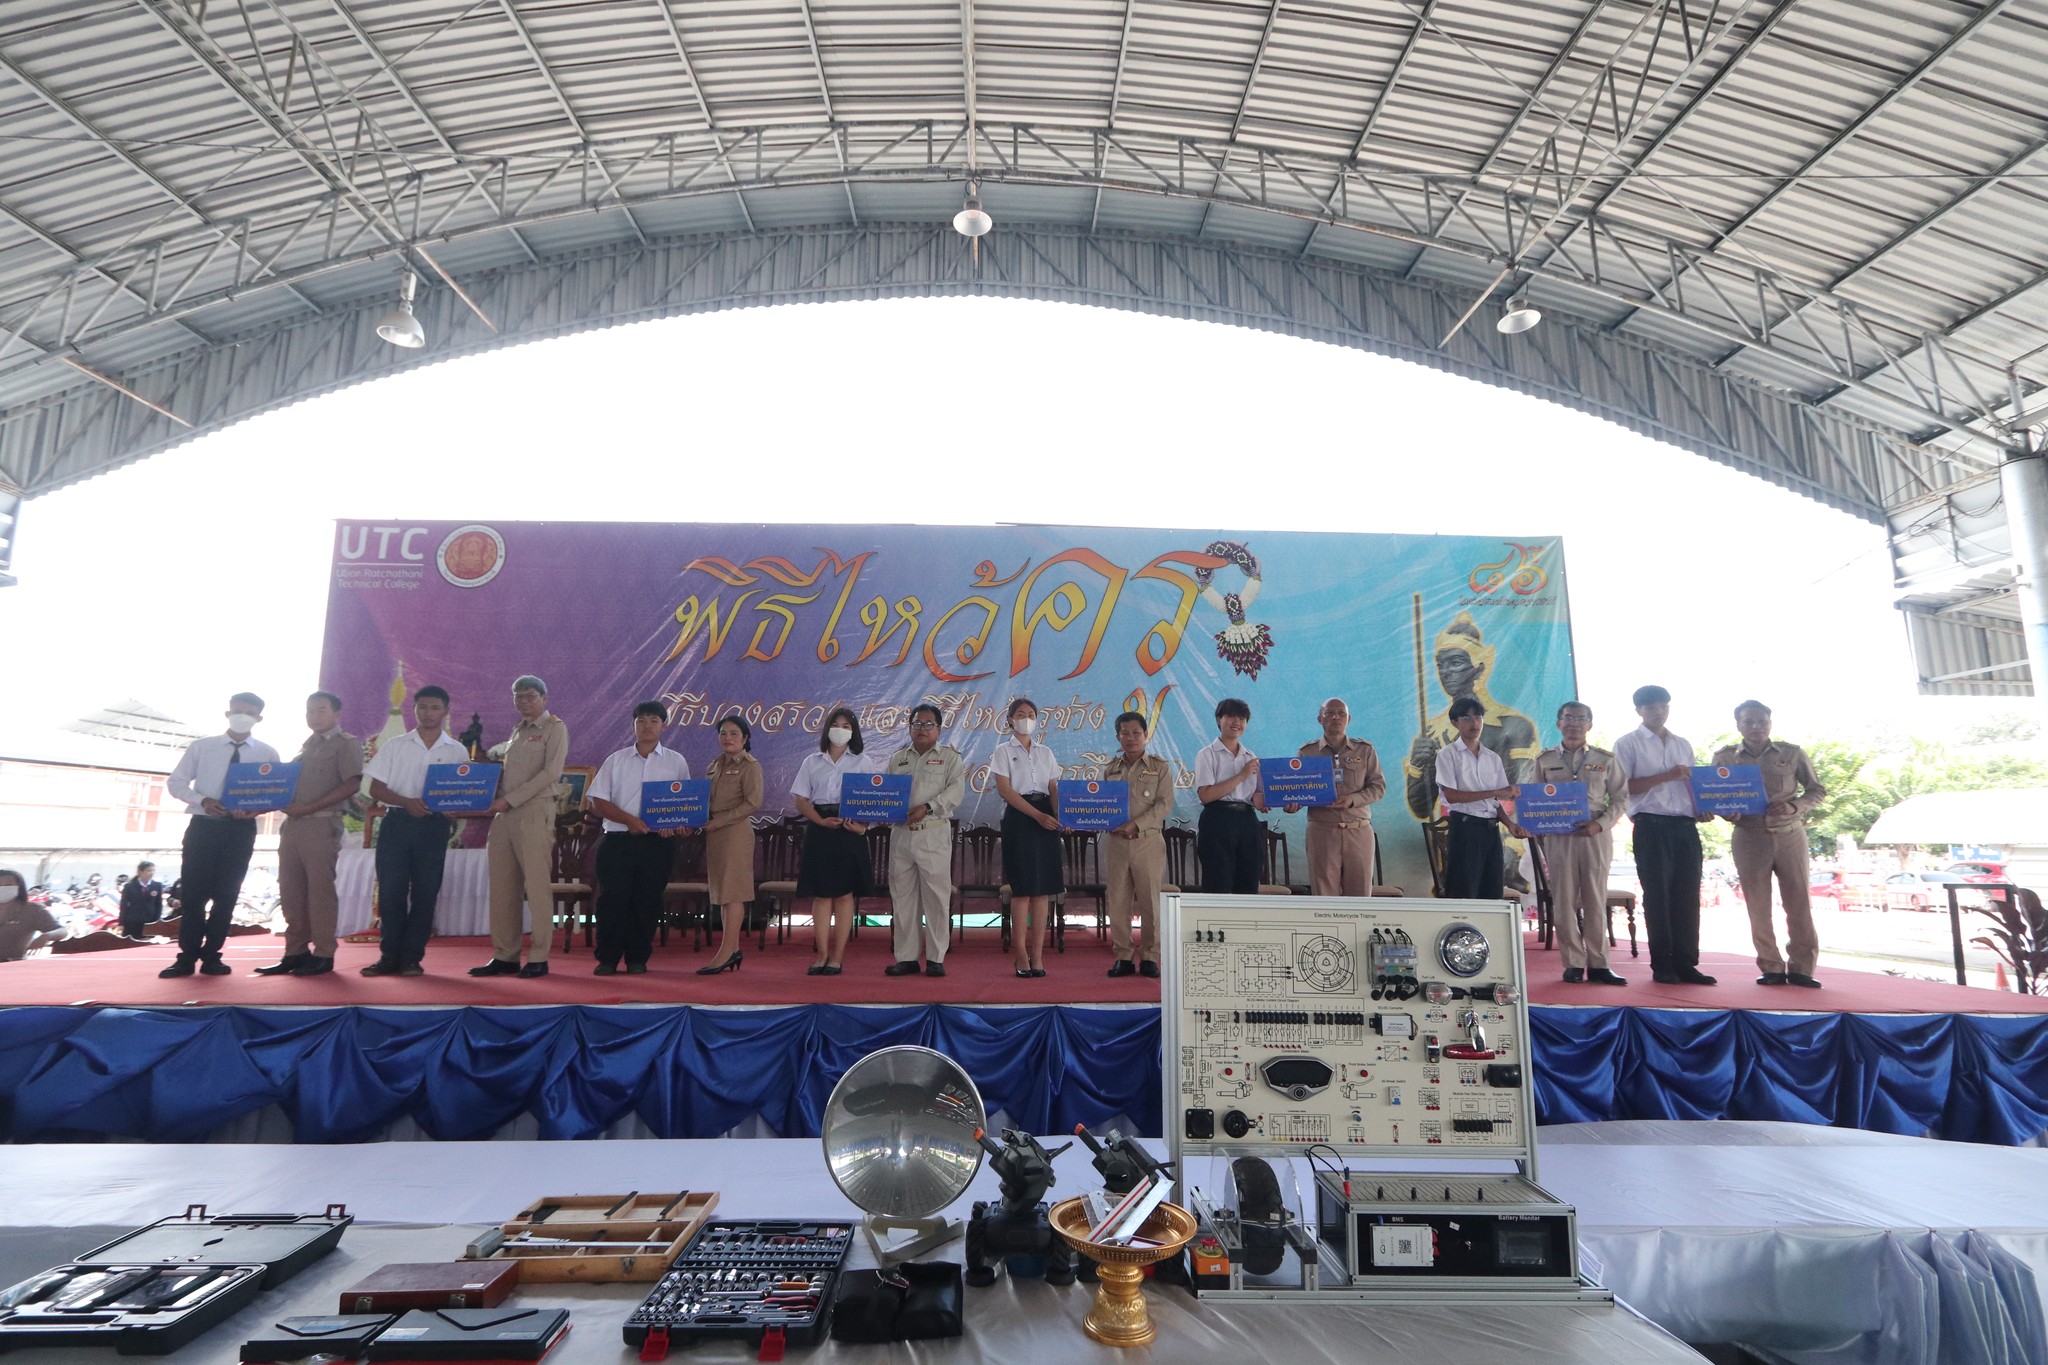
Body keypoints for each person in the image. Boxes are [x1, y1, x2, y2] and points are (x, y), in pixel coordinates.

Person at [161, 692, 281, 978]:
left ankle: (213, 956)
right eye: (237, 710)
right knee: (193, 896)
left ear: (259, 718)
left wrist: (254, 809)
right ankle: (186, 958)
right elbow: (176, 783)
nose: (242, 716)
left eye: (249, 712)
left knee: (227, 896)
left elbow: (276, 792)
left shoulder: (267, 753)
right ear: (227, 713)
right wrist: (202, 800)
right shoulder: (202, 747)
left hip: (240, 830)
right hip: (203, 826)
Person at [1711, 701, 1827, 988]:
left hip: (1790, 834)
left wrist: (1794, 806)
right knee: (1758, 905)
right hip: (1749, 836)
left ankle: (1802, 968)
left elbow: (1817, 791)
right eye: (1748, 721)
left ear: (1770, 723)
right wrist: (1726, 811)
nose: (1755, 727)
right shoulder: (1724, 757)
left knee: (1798, 903)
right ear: (1738, 725)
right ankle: (1771, 966)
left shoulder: (1792, 753)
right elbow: (1714, 795)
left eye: (1761, 721)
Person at [256, 691, 364, 978]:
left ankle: (324, 953)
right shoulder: (306, 746)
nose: (314, 716)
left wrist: (309, 807)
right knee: (290, 891)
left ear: (337, 713)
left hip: (321, 824)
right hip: (293, 825)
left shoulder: (346, 744)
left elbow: (352, 784)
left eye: (321, 710)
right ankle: (295, 951)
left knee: (320, 892)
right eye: (309, 711)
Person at [362, 685, 469, 977]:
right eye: (422, 707)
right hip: (397, 823)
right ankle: (389, 957)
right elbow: (376, 788)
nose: (428, 713)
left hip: (434, 827)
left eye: (435, 707)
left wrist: (454, 807)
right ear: (414, 709)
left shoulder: (456, 750)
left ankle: (412, 958)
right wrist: (405, 802)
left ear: (445, 711)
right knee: (391, 891)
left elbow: (462, 793)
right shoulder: (395, 745)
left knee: (426, 892)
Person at [1614, 685, 1717, 986]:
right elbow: (1623, 788)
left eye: (1663, 706)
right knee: (1657, 896)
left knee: (1688, 896)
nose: (1658, 712)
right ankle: (1662, 965)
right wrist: (1668, 775)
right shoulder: (1627, 743)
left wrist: (1702, 808)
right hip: (1651, 825)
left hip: (1685, 825)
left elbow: (1693, 785)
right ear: (1638, 711)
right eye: (1650, 707)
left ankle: (1687, 963)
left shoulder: (1682, 744)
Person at [585, 701, 692, 976]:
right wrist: (628, 820)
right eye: (641, 720)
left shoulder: (676, 761)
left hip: (658, 844)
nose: (647, 726)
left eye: (654, 721)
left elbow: (683, 805)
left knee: (647, 901)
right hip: (618, 840)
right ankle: (607, 959)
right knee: (612, 900)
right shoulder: (616, 760)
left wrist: (676, 825)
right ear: (633, 724)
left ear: (664, 725)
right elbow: (598, 801)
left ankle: (637, 958)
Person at [474, 675, 570, 979]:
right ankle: (505, 955)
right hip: (505, 815)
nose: (524, 701)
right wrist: (484, 793)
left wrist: (509, 800)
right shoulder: (517, 730)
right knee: (503, 887)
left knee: (537, 886)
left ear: (544, 698)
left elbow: (551, 773)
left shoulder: (554, 727)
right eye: (518, 696)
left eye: (530, 696)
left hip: (534, 811)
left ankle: (539, 957)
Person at [1527, 701, 1629, 984]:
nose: (1574, 723)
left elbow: (1621, 798)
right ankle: (1572, 962)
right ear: (1558, 723)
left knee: (1595, 898)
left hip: (1595, 832)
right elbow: (1534, 798)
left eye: (1580, 718)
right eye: (1568, 718)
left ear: (1589, 725)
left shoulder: (1605, 759)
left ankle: (1599, 964)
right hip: (1559, 835)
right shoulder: (1544, 760)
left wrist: (1600, 824)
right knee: (1563, 899)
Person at [883, 703, 965, 978]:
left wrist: (928, 807)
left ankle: (935, 958)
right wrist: (881, 812)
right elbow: (886, 793)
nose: (922, 729)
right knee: (902, 898)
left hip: (933, 832)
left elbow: (956, 792)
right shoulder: (898, 759)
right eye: (917, 724)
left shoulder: (950, 758)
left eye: (929, 724)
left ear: (939, 729)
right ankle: (906, 958)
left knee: (936, 897)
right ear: (910, 727)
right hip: (901, 834)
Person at [794, 707, 874, 976]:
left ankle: (837, 957)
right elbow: (800, 799)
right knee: (821, 894)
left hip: (849, 831)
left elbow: (872, 800)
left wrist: (861, 826)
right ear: (827, 729)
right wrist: (819, 821)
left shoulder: (862, 761)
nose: (840, 730)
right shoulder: (812, 761)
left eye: (846, 726)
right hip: (820, 829)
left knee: (843, 895)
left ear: (854, 732)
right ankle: (821, 955)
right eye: (836, 725)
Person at [991, 697, 1063, 978]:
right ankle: (1020, 954)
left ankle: (1038, 955)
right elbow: (1006, 791)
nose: (1026, 718)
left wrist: (1061, 817)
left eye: (1031, 714)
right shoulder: (1002, 751)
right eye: (1020, 714)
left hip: (1046, 818)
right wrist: (1037, 816)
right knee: (1022, 890)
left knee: (1042, 891)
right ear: (1010, 719)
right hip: (1020, 818)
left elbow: (1053, 789)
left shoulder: (1046, 752)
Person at [1102, 709, 1172, 977]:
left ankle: (1151, 956)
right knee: (1118, 901)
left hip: (1147, 842)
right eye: (1125, 733)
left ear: (1145, 735)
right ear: (1117, 737)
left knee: (1150, 902)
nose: (1130, 738)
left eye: (1136, 733)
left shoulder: (1159, 767)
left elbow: (1164, 804)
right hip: (1117, 843)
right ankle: (1123, 956)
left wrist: (1136, 824)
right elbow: (1102, 805)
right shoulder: (1111, 768)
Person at [1292, 698, 1386, 896]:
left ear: (1349, 719)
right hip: (1322, 832)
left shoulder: (1365, 750)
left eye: (1341, 713)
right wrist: (1292, 803)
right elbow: (1298, 789)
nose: (1336, 717)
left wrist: (1353, 799)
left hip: (1358, 830)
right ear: (1320, 719)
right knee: (1324, 894)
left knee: (1360, 895)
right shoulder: (1307, 752)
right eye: (1329, 713)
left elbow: (1378, 787)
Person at [699, 714, 765, 975]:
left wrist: (720, 821)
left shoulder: (750, 766)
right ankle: (733, 949)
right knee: (724, 894)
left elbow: (753, 803)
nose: (728, 738)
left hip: (735, 832)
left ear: (745, 738)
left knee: (734, 893)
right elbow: (702, 800)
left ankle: (726, 951)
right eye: (723, 733)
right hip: (714, 833)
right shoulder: (714, 765)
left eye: (734, 733)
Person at [1435, 696, 1517, 898]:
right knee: (1464, 892)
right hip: (1465, 829)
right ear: (1455, 723)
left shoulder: (1492, 758)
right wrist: (1496, 792)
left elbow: (1495, 802)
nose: (1475, 723)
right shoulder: (1448, 754)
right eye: (1467, 718)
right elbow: (1452, 796)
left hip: (1491, 831)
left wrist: (1510, 824)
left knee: (1493, 892)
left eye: (1478, 717)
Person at [1195, 697, 1265, 894]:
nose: (1237, 722)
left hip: (1248, 821)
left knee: (1249, 883)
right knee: (1219, 883)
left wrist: (1265, 802)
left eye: (1242, 718)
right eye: (1231, 717)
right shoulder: (1207, 754)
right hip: (1217, 820)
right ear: (1219, 719)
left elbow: (1255, 795)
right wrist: (1242, 775)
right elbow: (1206, 795)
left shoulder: (1251, 756)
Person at [0, 869, 65, 961]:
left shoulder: (33, 909)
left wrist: (47, 936)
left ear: (19, 887)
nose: (2, 888)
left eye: (8, 885)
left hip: (13, 964)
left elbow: (62, 931)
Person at [118, 861, 163, 939]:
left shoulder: (157, 885)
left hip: (149, 921)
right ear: (140, 872)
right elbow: (123, 906)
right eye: (148, 870)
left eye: (153, 870)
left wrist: (157, 921)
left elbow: (158, 905)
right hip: (132, 922)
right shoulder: (129, 886)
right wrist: (121, 923)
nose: (151, 873)